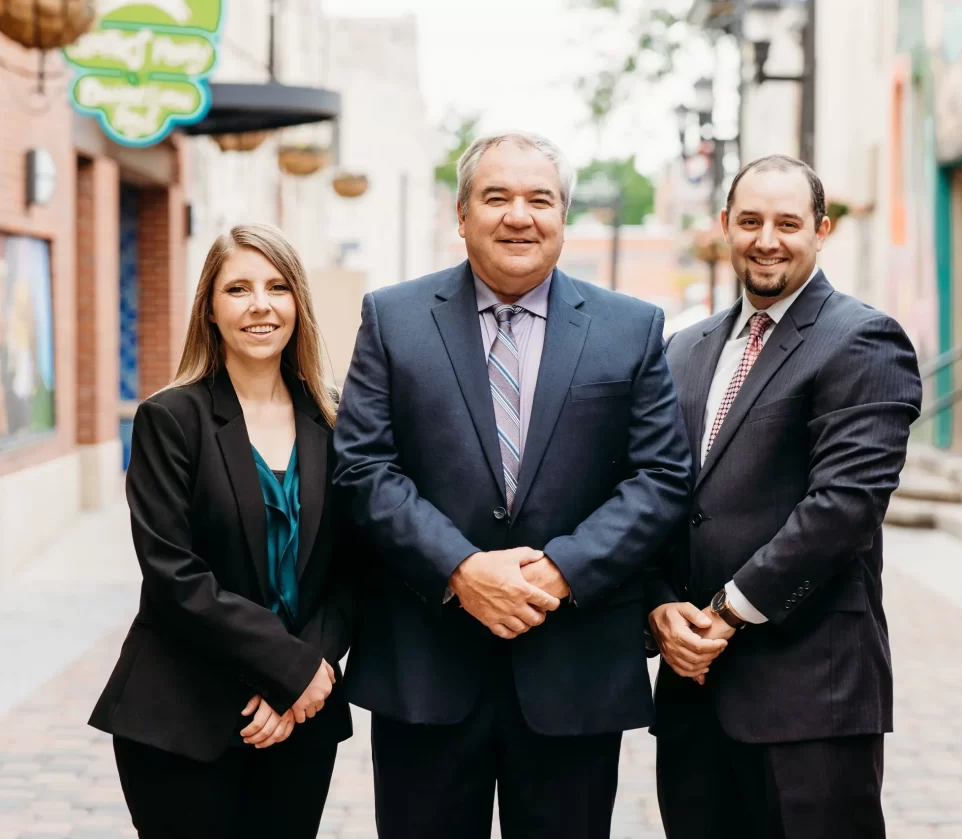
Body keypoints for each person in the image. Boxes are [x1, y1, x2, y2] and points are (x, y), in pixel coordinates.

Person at [334, 131, 691, 839]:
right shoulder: (392, 318)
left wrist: (562, 569)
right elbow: (363, 466)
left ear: (564, 216)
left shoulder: (632, 327)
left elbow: (660, 476)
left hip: (574, 671)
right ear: (461, 215)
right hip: (425, 667)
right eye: (496, 197)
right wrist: (461, 569)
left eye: (540, 199)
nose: (519, 215)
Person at [648, 155, 922, 839]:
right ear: (725, 228)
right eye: (751, 221)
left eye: (788, 222)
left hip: (811, 696)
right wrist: (658, 605)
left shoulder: (862, 340)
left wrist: (727, 613)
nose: (767, 238)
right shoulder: (683, 349)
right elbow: (652, 493)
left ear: (821, 230)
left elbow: (845, 506)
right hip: (693, 692)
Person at [89, 223, 354, 839]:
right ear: (210, 308)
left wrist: (308, 674)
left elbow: (358, 571)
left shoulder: (338, 422)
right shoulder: (170, 418)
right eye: (238, 288)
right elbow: (174, 576)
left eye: (278, 287)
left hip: (303, 715)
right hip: (182, 712)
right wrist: (290, 668)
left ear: (299, 305)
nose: (260, 305)